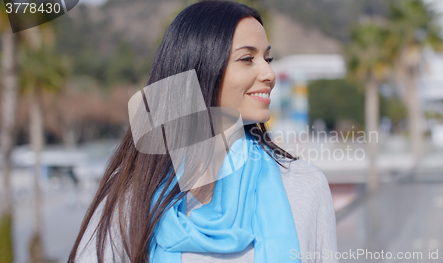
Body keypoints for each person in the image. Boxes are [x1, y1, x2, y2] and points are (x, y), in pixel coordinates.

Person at [68, 1, 338, 262]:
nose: (269, 73)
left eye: (268, 58)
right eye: (247, 59)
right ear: (199, 70)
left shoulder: (304, 186)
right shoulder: (134, 193)